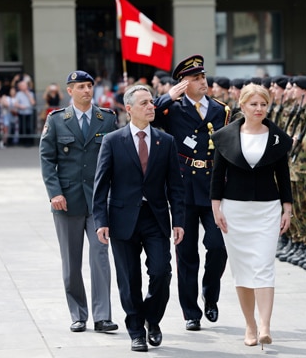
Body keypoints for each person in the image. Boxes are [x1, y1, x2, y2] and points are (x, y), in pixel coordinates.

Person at [93, 84, 185, 352]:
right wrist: (101, 221)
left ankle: (152, 320)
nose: (150, 106)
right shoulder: (113, 140)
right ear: (129, 108)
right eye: (144, 103)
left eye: (151, 102)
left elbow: (176, 186)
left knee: (161, 272)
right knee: (129, 278)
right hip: (122, 219)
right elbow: (101, 185)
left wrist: (178, 220)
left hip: (155, 218)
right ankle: (136, 331)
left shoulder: (165, 141)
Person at [210, 84, 293, 348]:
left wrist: (287, 208)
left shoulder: (277, 138)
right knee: (242, 270)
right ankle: (250, 325)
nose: (259, 109)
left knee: (264, 266)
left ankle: (266, 326)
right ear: (242, 106)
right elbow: (217, 175)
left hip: (267, 209)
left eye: (263, 104)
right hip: (234, 210)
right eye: (254, 104)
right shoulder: (225, 136)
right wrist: (216, 207)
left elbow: (283, 176)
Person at [152, 54, 229, 332]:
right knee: (186, 254)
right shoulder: (171, 110)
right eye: (195, 78)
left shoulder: (221, 110)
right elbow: (144, 118)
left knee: (218, 247)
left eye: (203, 77)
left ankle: (210, 295)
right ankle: (191, 311)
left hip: (212, 190)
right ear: (183, 84)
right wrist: (165, 97)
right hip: (183, 190)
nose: (202, 82)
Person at [39, 70, 118, 334]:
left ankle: (102, 315)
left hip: (98, 202)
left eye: (89, 86)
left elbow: (116, 158)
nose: (87, 90)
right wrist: (54, 192)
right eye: (80, 86)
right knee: (71, 262)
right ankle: (78, 314)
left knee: (100, 256)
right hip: (67, 201)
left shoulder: (106, 119)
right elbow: (47, 158)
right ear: (69, 91)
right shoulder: (57, 119)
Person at [15, 80, 36, 146]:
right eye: (22, 86)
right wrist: (21, 106)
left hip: (29, 113)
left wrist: (28, 94)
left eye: (24, 85)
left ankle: (30, 142)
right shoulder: (18, 94)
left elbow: (33, 103)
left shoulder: (31, 93)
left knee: (29, 127)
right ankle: (23, 142)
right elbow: (16, 103)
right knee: (22, 127)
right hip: (21, 113)